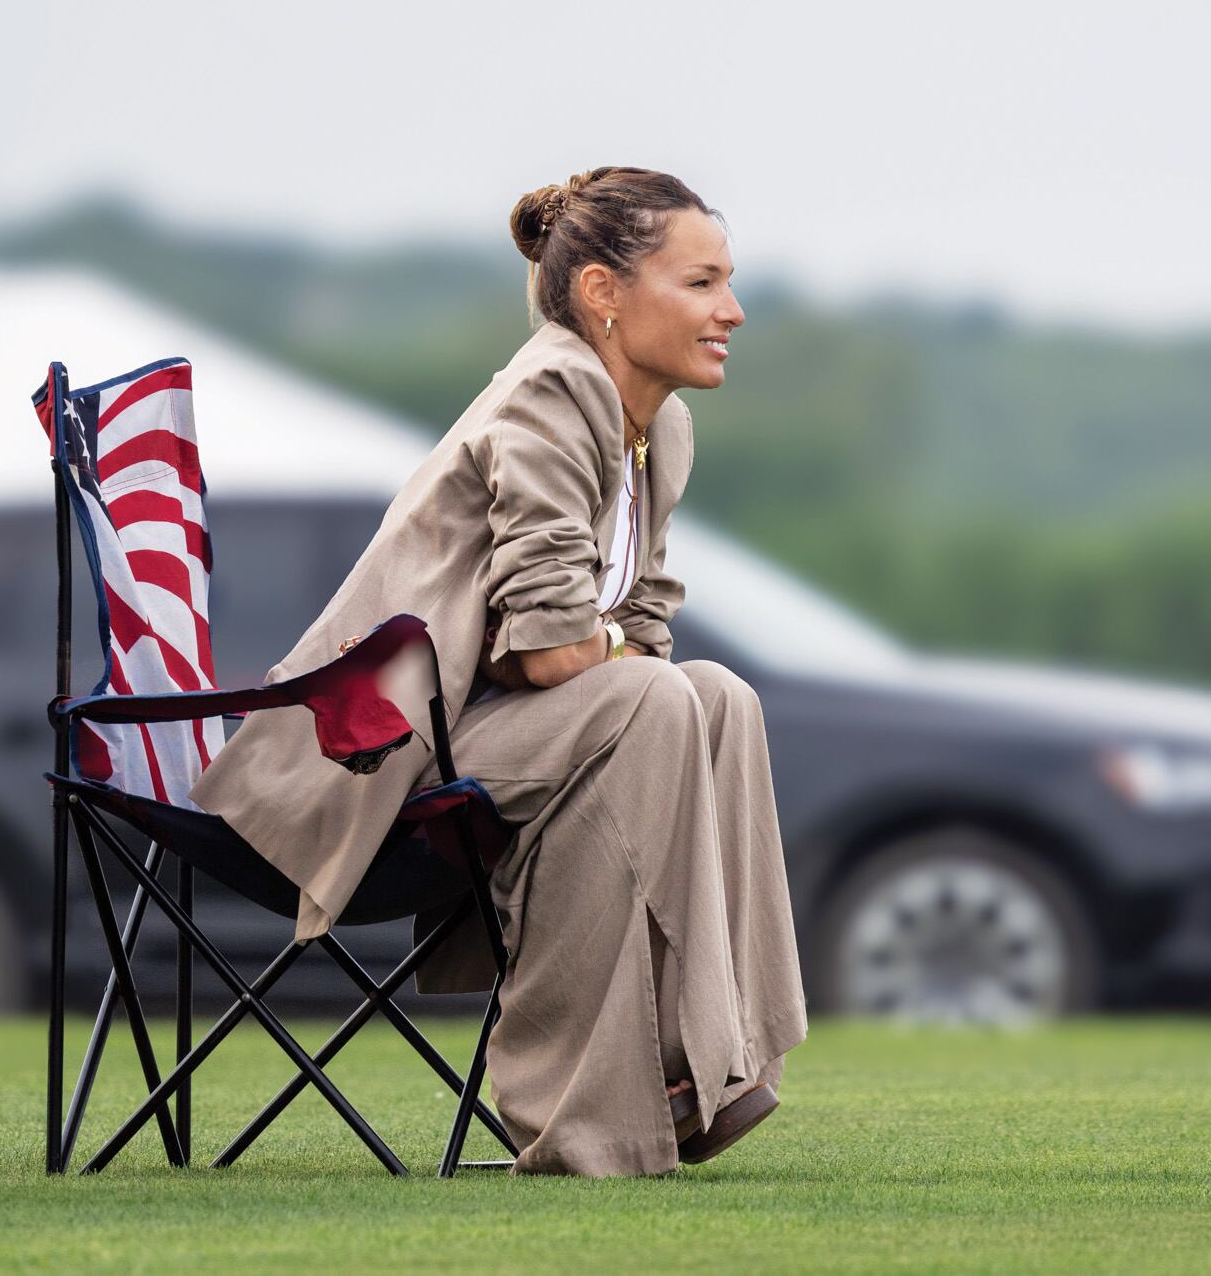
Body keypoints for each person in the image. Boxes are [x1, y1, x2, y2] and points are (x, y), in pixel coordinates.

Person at [188, 166, 807, 1176]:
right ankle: (630, 1079)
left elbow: (635, 620)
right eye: (699, 283)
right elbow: (546, 651)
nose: (729, 311)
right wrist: (614, 654)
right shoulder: (553, 388)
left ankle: (711, 1053)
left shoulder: (662, 430)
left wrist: (614, 653)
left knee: (716, 696)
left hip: (515, 739)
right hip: (381, 762)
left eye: (726, 283)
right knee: (651, 700)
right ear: (602, 294)